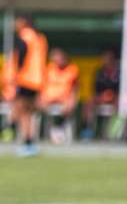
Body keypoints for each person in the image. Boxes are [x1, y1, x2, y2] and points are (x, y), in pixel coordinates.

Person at [11, 15, 47, 157]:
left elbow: (21, 56)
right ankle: (30, 142)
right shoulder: (40, 38)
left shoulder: (25, 36)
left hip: (25, 79)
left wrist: (16, 75)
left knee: (22, 112)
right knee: (29, 113)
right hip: (37, 80)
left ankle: (27, 143)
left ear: (24, 23)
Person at [37, 48, 79, 144]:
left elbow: (74, 88)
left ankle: (58, 128)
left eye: (59, 57)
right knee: (39, 103)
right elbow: (42, 87)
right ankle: (48, 130)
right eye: (54, 57)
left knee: (69, 104)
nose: (57, 60)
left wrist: (72, 99)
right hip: (49, 98)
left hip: (64, 98)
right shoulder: (49, 69)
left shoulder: (72, 69)